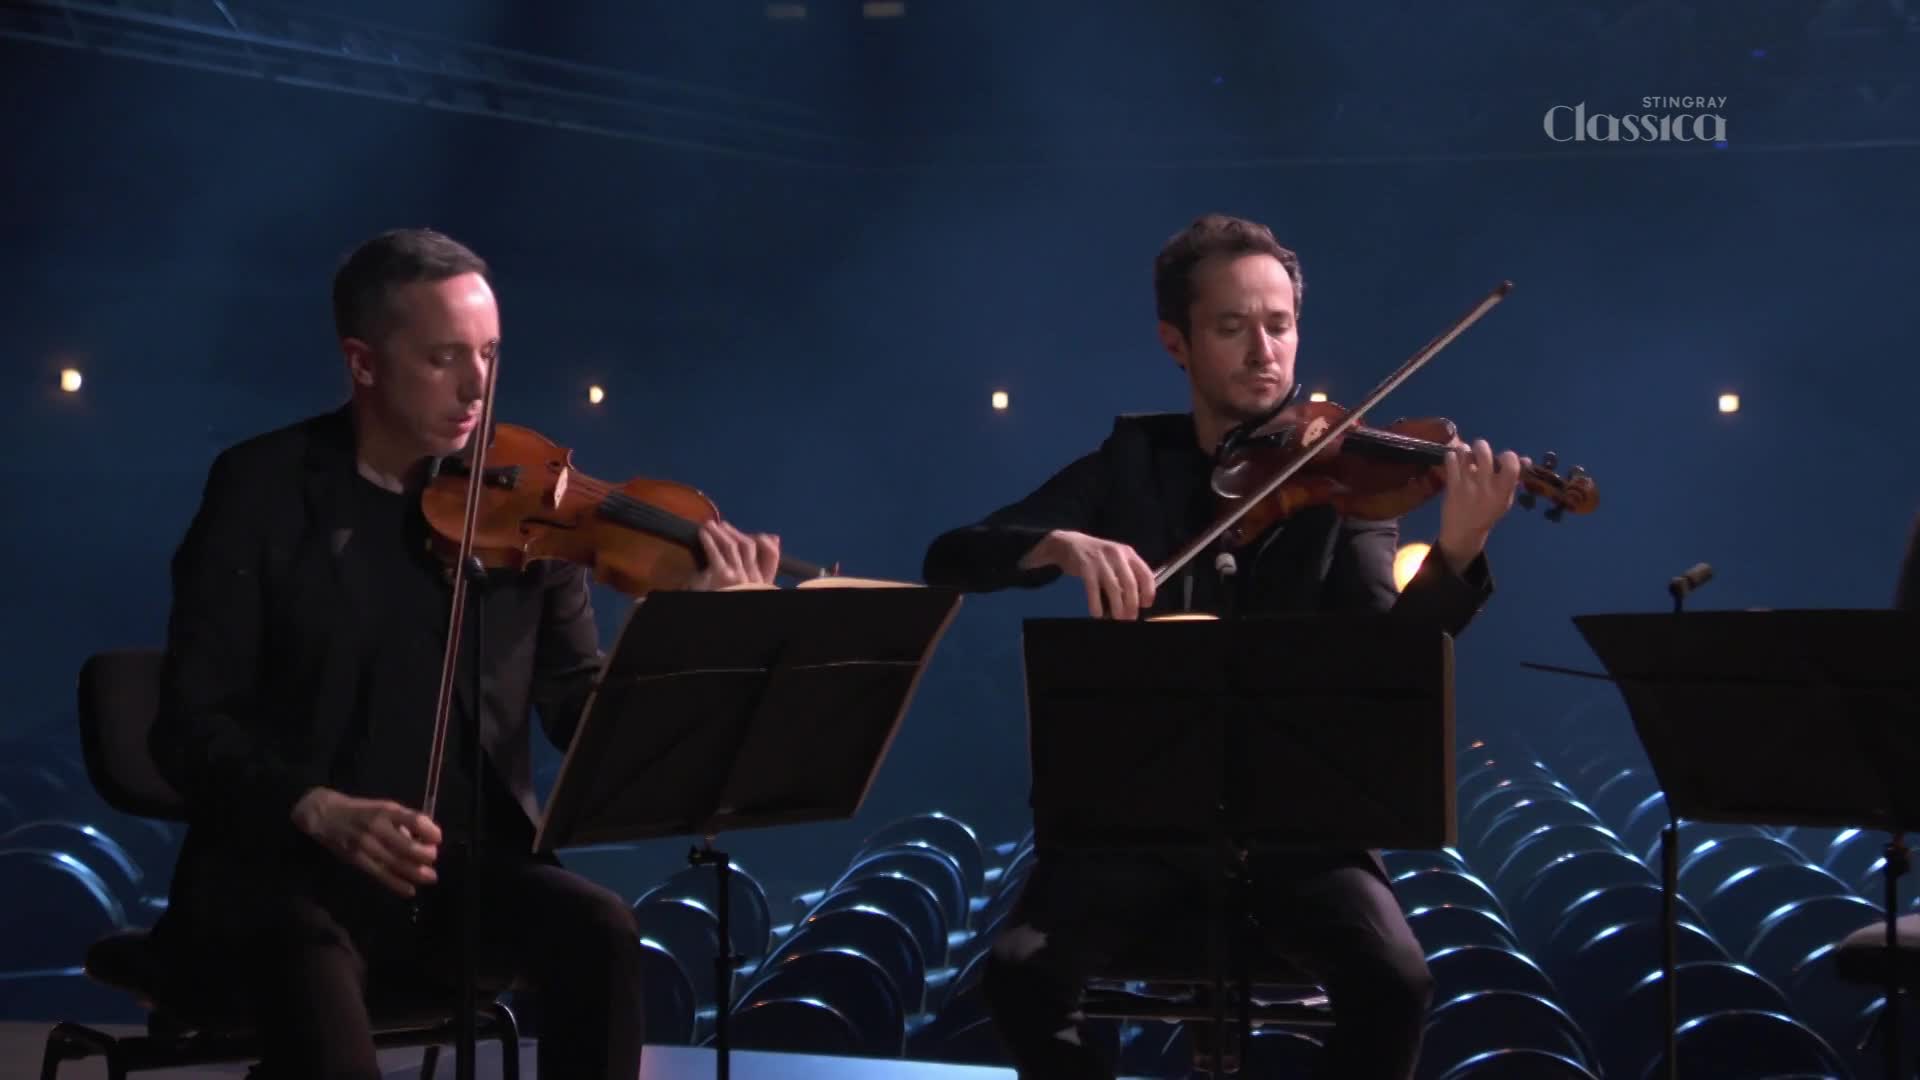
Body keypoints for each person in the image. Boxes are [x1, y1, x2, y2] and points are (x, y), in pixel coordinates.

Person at [146, 227, 783, 1079]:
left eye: (489, 353)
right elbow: (189, 725)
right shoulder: (262, 490)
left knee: (599, 929)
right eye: (444, 357)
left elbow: (577, 711)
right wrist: (317, 807)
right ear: (363, 362)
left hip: (465, 876)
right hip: (285, 874)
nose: (479, 385)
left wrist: (692, 637)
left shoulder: (527, 507)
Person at [922, 213, 1528, 1080]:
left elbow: (1388, 657)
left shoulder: (1342, 477)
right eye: (1232, 327)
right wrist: (1055, 543)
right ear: (1178, 341)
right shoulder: (1131, 463)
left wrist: (1459, 554)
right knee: (1020, 975)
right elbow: (952, 555)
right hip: (1136, 830)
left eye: (1278, 326)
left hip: (1300, 835)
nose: (1262, 352)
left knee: (1396, 983)